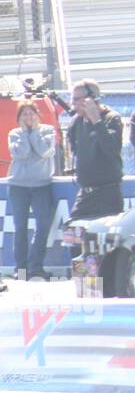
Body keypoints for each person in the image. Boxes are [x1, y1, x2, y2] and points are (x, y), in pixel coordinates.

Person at [7, 100, 56, 280]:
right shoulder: (14, 134)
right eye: (24, 114)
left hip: (41, 186)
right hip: (18, 186)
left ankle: (36, 266)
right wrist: (25, 135)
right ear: (19, 118)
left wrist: (34, 131)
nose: (28, 117)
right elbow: (23, 153)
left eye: (31, 113)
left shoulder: (48, 130)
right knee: (20, 228)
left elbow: (44, 151)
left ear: (37, 114)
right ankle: (20, 269)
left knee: (42, 226)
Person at [67, 78, 125, 220]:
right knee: (73, 232)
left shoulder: (111, 118)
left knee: (106, 239)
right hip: (86, 194)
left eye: (76, 99)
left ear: (91, 99)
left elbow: (112, 149)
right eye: (72, 99)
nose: (73, 104)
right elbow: (74, 149)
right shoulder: (77, 121)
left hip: (108, 193)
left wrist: (96, 121)